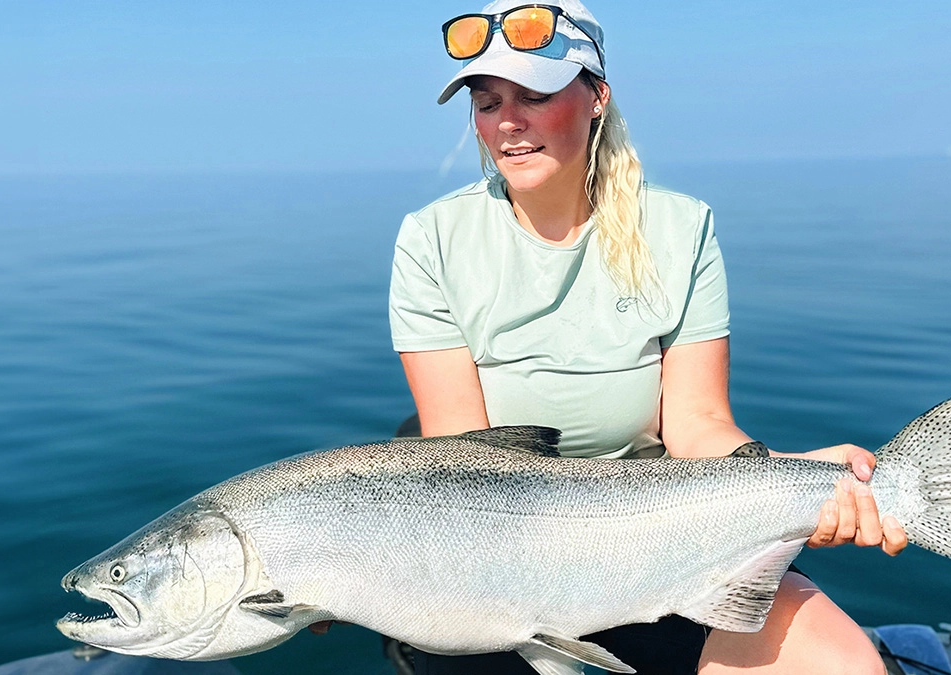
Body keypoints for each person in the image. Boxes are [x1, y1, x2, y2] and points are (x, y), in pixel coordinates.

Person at [386, 1, 907, 672]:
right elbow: (464, 460)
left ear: (596, 96)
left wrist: (800, 473)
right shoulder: (431, 240)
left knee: (843, 663)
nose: (508, 121)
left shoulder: (681, 228)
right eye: (488, 103)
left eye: (535, 95)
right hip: (495, 549)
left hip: (664, 531)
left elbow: (696, 424)